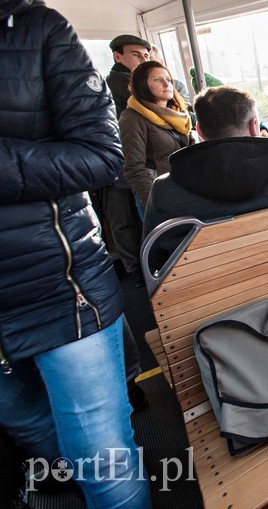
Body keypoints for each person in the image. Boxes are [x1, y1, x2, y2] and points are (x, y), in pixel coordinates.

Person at [0, 2, 151, 507]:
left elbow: (104, 157)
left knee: (102, 458)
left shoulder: (37, 31)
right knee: (33, 431)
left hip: (57, 288)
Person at [142, 85, 268, 270]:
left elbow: (153, 262)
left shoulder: (164, 191)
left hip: (209, 300)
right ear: (254, 126)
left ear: (199, 131)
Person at [101, 34, 151, 284]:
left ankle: (140, 269)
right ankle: (135, 271)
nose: (142, 59)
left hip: (137, 160)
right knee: (124, 219)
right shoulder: (116, 85)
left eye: (146, 55)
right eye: (136, 54)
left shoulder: (141, 82)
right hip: (118, 163)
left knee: (136, 217)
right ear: (117, 56)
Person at [120, 60, 194, 215]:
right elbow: (134, 168)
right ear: (142, 85)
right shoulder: (132, 117)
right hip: (159, 195)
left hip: (185, 190)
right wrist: (154, 206)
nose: (166, 84)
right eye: (157, 80)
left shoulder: (178, 113)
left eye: (168, 80)